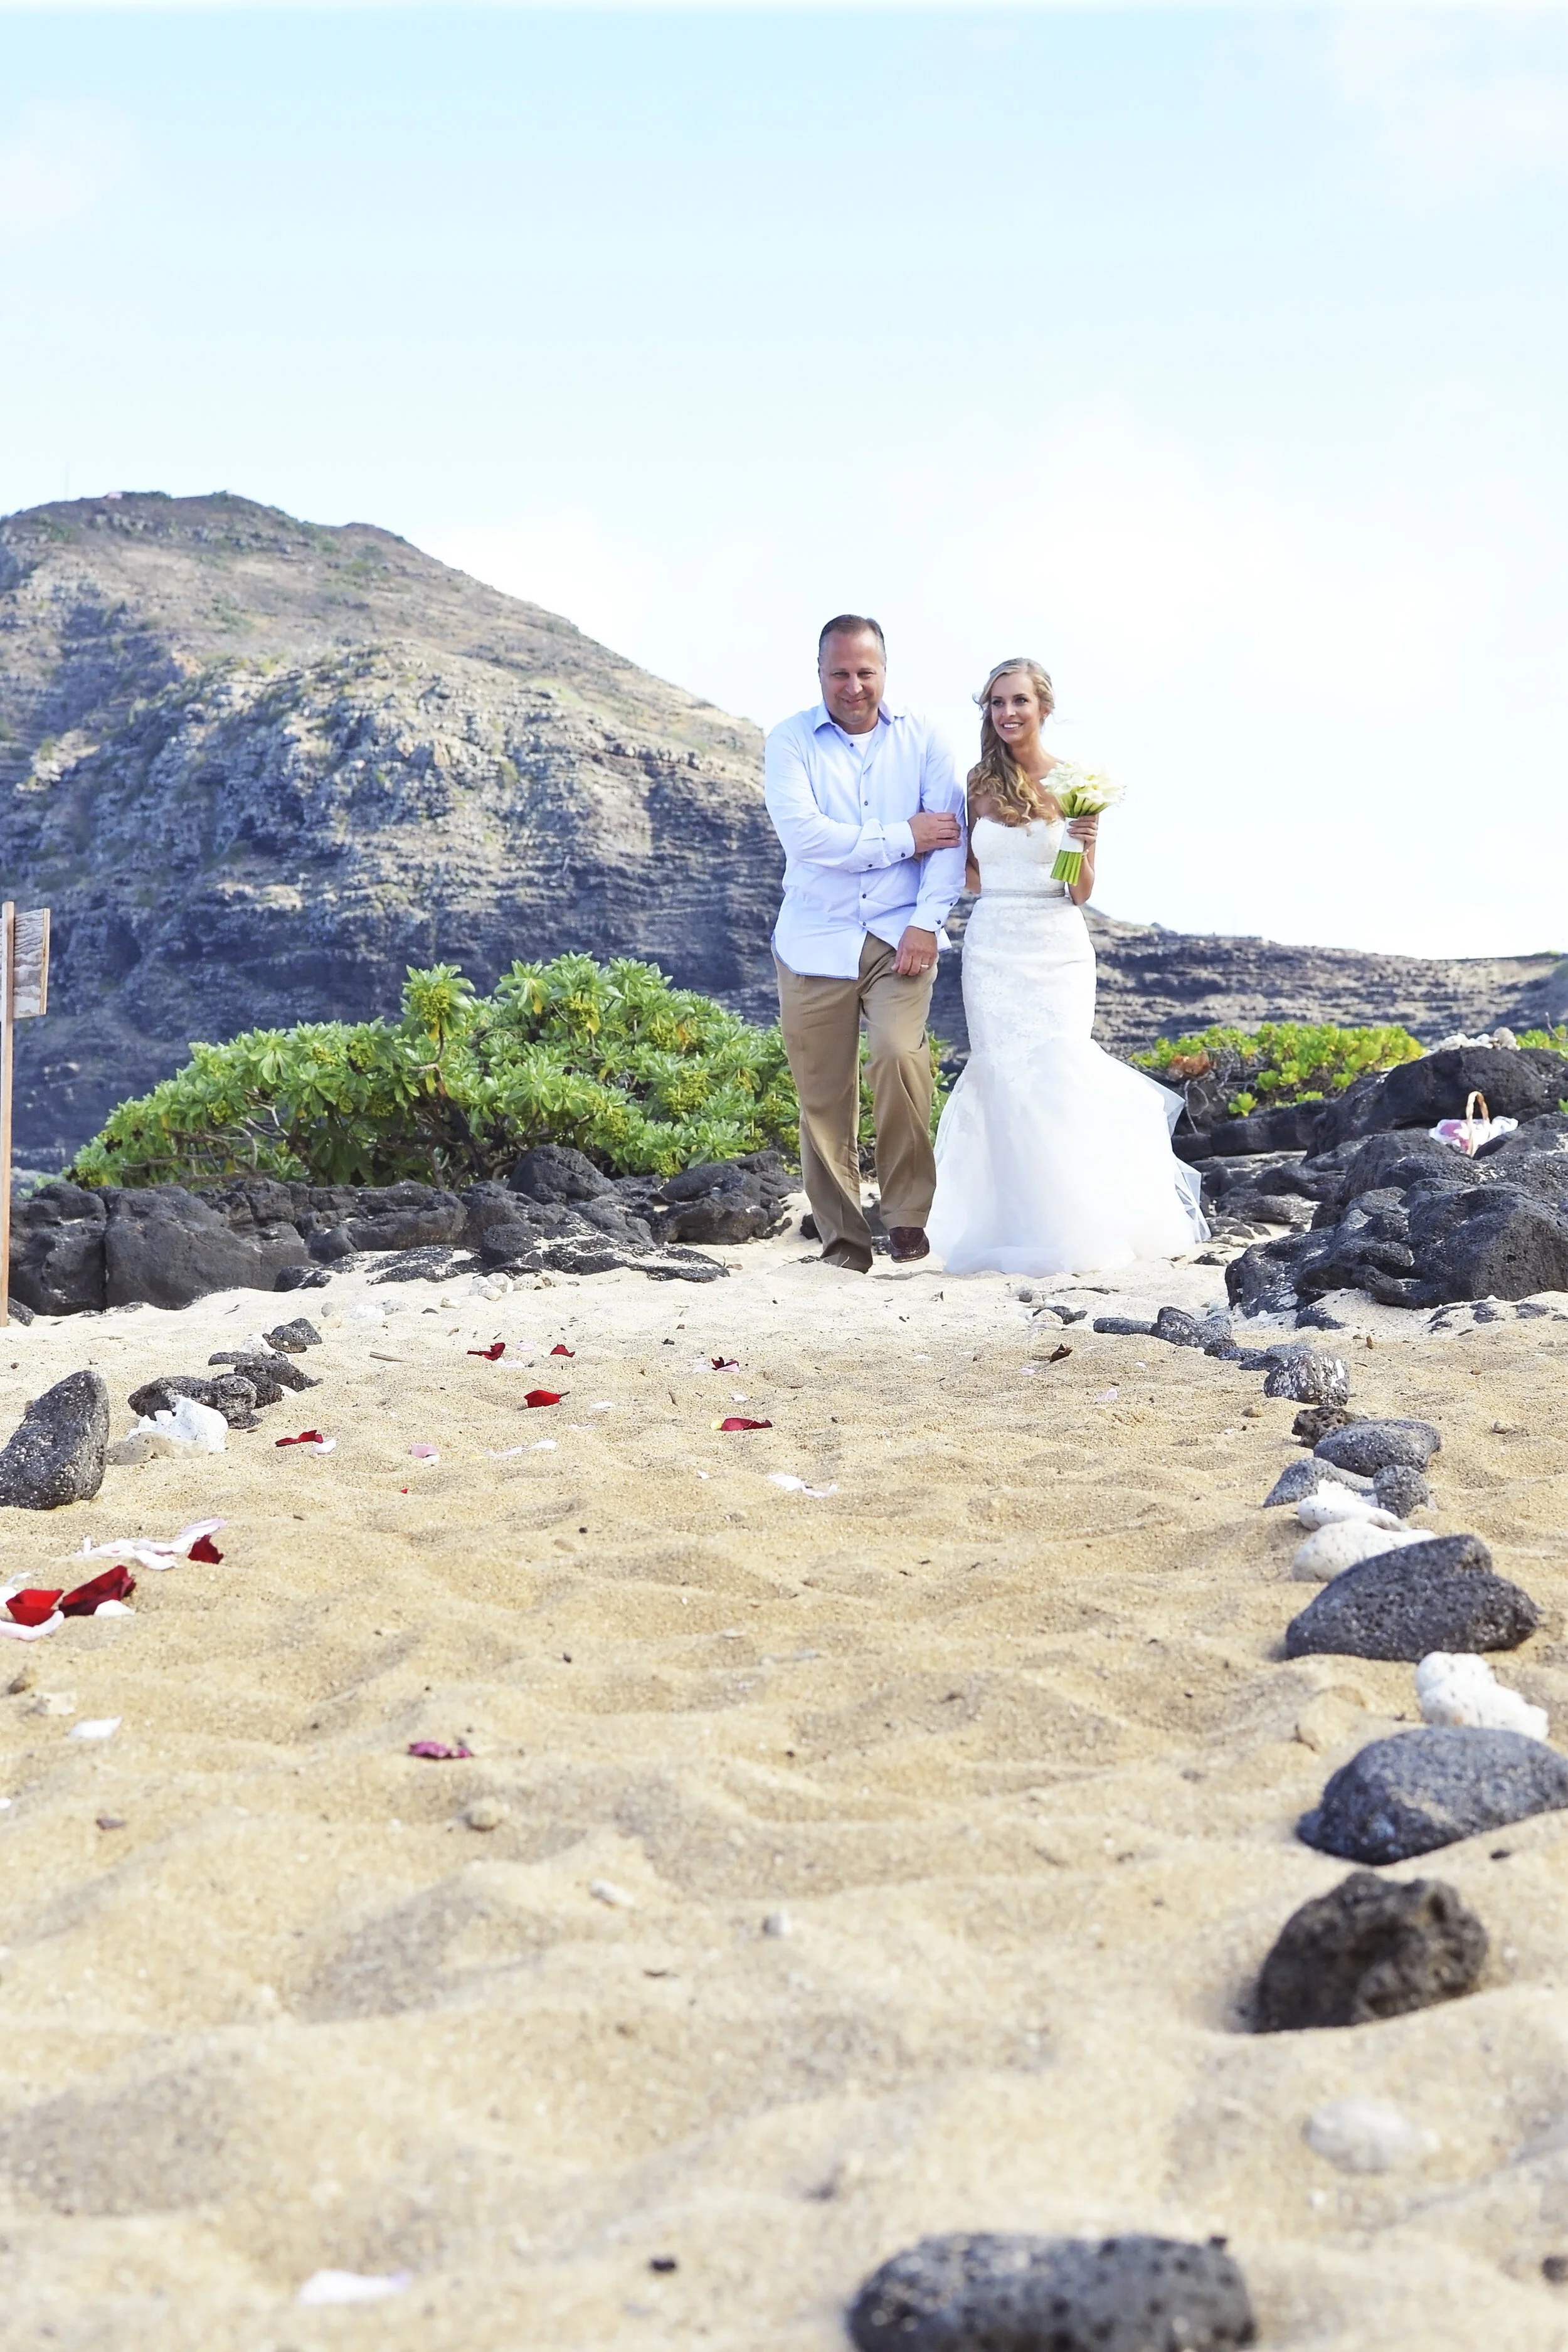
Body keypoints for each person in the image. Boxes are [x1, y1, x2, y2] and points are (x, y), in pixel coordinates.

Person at [927, 655, 1208, 1275]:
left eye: (1018, 701)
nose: (1006, 713)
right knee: (1000, 1078)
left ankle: (1081, 1226)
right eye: (996, 703)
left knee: (1059, 1073)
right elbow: (973, 877)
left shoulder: (1078, 782)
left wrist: (1087, 841)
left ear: (1043, 708)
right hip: (993, 940)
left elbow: (1075, 890)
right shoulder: (978, 782)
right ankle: (1018, 1226)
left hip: (1055, 943)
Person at [764, 616, 967, 1271]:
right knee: (823, 1098)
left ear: (884, 670)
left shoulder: (925, 738)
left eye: (865, 672)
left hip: (897, 934)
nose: (853, 687)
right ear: (819, 673)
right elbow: (807, 840)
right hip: (812, 939)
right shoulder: (789, 742)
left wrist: (927, 923)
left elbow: (951, 838)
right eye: (840, 674)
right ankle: (844, 1243)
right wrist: (903, 836)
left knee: (897, 1056)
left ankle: (907, 1216)